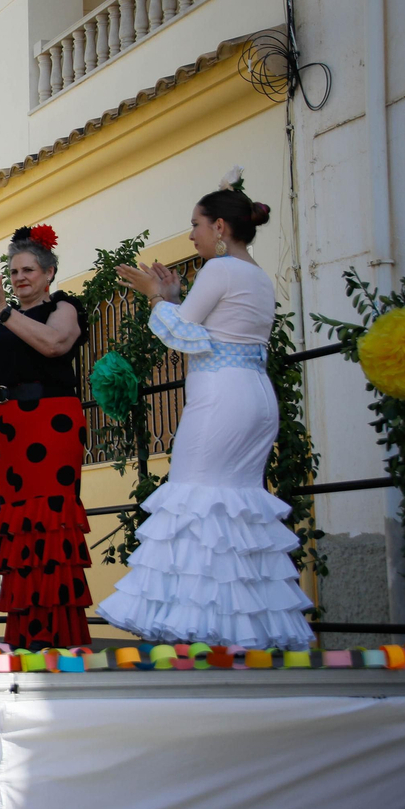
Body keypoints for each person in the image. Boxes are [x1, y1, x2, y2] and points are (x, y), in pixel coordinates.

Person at [96, 182, 314, 649]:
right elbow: (208, 331)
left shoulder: (219, 269)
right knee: (235, 508)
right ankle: (242, 633)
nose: (192, 234)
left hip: (221, 398)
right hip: (255, 396)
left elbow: (181, 334)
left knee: (200, 505)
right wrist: (172, 298)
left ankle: (209, 635)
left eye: (196, 225)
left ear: (219, 227)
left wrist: (156, 296)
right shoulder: (255, 275)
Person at [0, 225, 94, 648]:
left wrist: (4, 312)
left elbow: (54, 345)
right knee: (20, 525)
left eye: (28, 270)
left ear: (48, 274)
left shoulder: (63, 306)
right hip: (7, 425)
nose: (19, 277)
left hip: (49, 419)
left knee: (50, 520)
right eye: (13, 271)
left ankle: (60, 631)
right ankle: (27, 632)